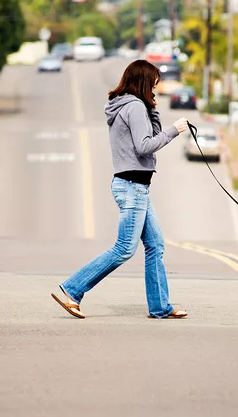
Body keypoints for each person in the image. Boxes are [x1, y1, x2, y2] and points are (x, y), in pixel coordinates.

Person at [51, 60, 189, 319]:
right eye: (154, 84)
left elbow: (150, 136)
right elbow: (145, 146)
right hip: (132, 187)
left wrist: (153, 110)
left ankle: (160, 307)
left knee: (155, 245)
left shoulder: (132, 105)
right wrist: (175, 130)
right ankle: (73, 289)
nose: (156, 89)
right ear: (144, 82)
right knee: (124, 248)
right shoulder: (134, 107)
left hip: (136, 187)